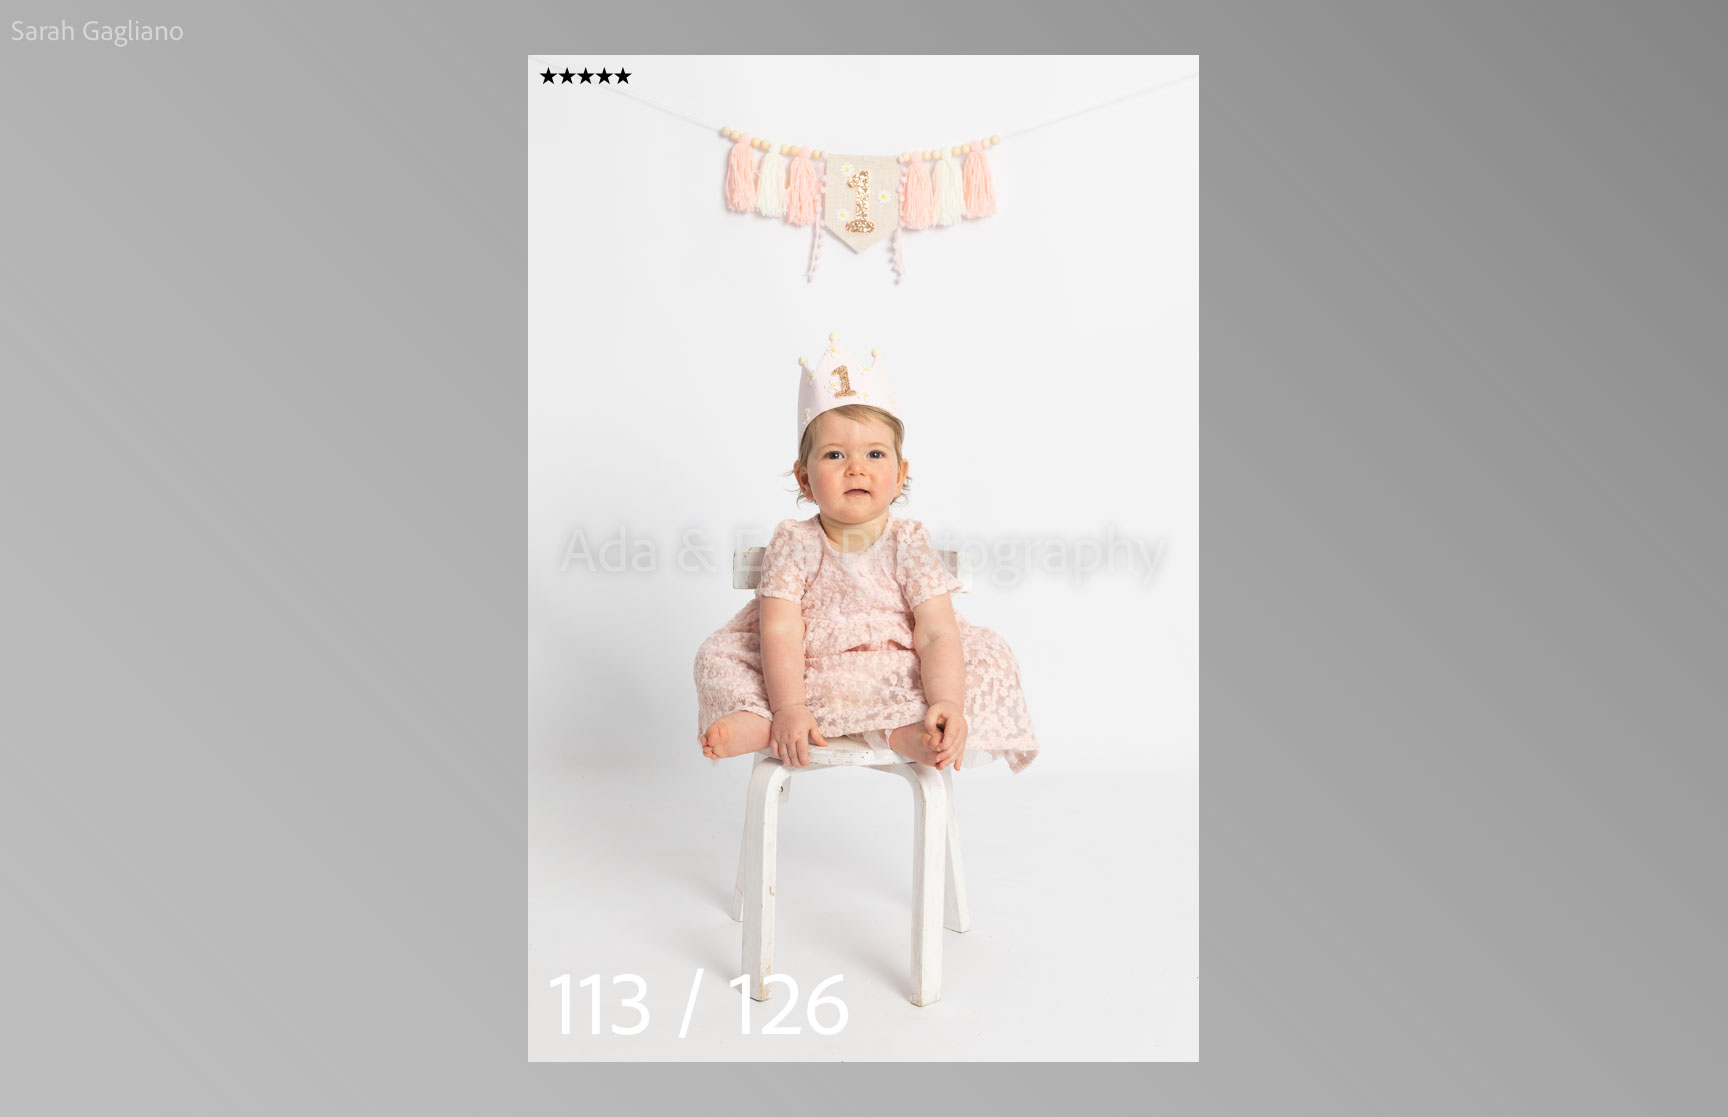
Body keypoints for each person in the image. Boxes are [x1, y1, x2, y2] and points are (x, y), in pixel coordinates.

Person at [694, 333, 1038, 773]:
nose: (856, 468)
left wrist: (947, 700)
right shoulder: (793, 542)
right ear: (804, 480)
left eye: (874, 454)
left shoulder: (908, 542)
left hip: (890, 665)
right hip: (803, 668)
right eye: (835, 455)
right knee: (716, 657)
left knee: (988, 659)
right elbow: (780, 630)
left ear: (899, 475)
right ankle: (768, 720)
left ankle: (914, 730)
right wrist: (788, 706)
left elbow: (936, 633)